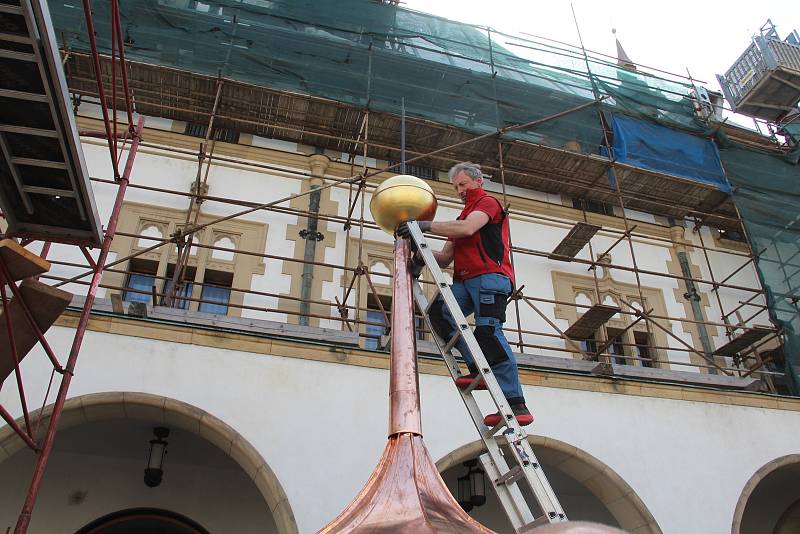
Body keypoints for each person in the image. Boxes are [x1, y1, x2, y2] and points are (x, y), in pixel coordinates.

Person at [396, 162, 532, 426]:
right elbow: (445, 259)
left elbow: (469, 228)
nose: (460, 190)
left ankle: (516, 403)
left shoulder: (488, 204)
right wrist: (417, 247)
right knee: (439, 314)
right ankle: (476, 368)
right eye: (456, 187)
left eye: (463, 184)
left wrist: (424, 226)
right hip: (466, 280)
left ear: (478, 181)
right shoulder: (460, 219)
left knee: (489, 333)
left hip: (490, 278)